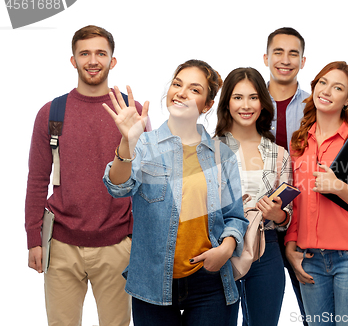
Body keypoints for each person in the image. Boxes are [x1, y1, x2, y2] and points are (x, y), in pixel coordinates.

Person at [102, 59, 248, 326]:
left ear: (207, 105)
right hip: (152, 280)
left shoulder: (221, 154)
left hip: (209, 279)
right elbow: (117, 188)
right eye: (177, 84)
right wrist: (127, 141)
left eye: (194, 89)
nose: (181, 92)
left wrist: (225, 250)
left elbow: (235, 217)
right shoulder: (143, 145)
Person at [25, 25, 149, 326]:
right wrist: (33, 239)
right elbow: (37, 179)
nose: (93, 61)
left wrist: (143, 244)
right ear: (73, 60)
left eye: (100, 53)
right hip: (62, 244)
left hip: (118, 243)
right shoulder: (52, 113)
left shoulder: (131, 111)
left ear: (112, 61)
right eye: (85, 53)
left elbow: (146, 181)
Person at [285, 61, 348, 326]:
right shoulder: (300, 141)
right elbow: (295, 203)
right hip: (310, 260)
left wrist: (339, 187)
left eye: (338, 87)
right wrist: (290, 247)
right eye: (323, 83)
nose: (327, 91)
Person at [215, 67, 293, 326]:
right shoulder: (209, 149)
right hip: (219, 245)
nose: (245, 105)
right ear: (227, 102)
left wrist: (278, 215)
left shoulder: (279, 153)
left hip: (266, 247)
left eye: (253, 97)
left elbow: (286, 218)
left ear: (263, 102)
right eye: (238, 97)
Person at [263, 27, 309, 324]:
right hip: (259, 221)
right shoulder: (247, 103)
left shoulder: (315, 105)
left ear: (303, 61)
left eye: (294, 53)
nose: (285, 59)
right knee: (260, 313)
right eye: (278, 52)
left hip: (305, 221)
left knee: (313, 311)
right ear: (266, 57)